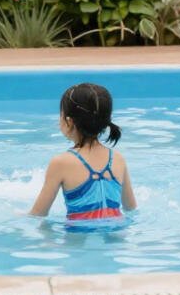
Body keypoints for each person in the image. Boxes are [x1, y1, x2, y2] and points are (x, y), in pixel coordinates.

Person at [29, 83, 137, 221]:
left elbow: (39, 214)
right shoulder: (117, 158)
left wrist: (16, 215)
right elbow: (131, 209)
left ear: (69, 121)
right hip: (116, 231)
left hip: (77, 236)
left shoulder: (61, 162)